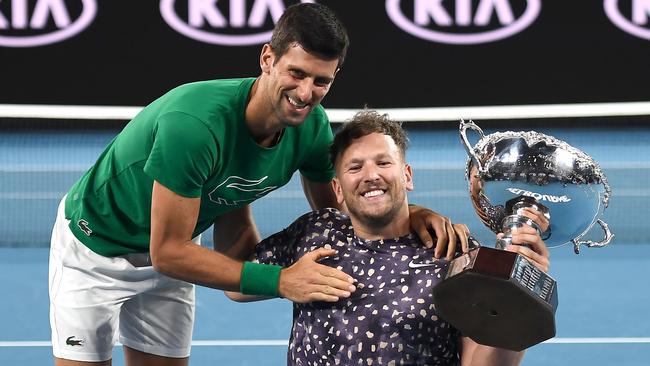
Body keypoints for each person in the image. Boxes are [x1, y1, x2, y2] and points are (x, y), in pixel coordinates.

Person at [48, 4, 469, 366]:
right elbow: (168, 251)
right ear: (268, 58)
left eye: (321, 81)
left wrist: (414, 213)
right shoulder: (194, 127)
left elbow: (345, 215)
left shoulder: (311, 130)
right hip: (96, 249)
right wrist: (283, 281)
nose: (306, 93)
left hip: (172, 259)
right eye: (296, 73)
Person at [227, 109, 550, 365]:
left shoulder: (456, 253)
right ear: (337, 189)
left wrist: (515, 297)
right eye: (355, 168)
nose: (371, 175)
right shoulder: (314, 231)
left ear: (406, 175)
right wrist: (229, 185)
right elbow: (235, 287)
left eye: (384, 162)